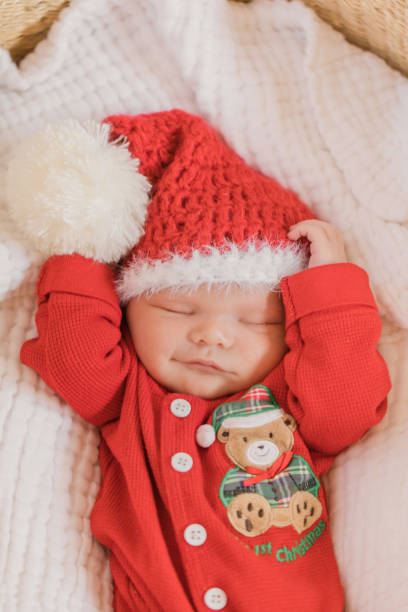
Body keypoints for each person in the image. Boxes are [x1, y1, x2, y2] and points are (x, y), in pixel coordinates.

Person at [8, 110, 391, 611]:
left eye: (257, 322)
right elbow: (71, 354)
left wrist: (330, 289)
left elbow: (347, 406)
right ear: (127, 309)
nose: (211, 335)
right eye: (177, 307)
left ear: (292, 333)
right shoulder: (127, 397)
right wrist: (87, 245)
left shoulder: (293, 406)